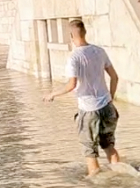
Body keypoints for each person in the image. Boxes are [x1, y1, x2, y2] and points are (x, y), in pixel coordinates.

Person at [43, 20, 120, 177]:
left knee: (90, 152)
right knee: (109, 147)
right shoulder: (99, 51)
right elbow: (114, 77)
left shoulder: (74, 57)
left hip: (89, 110)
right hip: (107, 107)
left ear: (71, 36)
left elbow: (71, 85)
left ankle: (97, 182)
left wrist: (53, 94)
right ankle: (121, 176)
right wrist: (110, 98)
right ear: (85, 32)